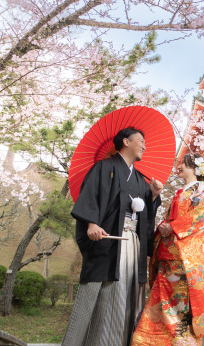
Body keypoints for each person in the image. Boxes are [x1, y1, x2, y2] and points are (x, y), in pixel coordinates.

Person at [63, 127, 164, 346]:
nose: (145, 146)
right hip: (108, 241)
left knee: (130, 298)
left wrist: (153, 196)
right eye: (141, 141)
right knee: (103, 296)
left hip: (132, 244)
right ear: (126, 142)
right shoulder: (104, 167)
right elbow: (90, 195)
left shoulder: (139, 179)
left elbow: (144, 213)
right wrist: (91, 223)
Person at [131, 153, 204, 346]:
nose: (179, 166)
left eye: (184, 164)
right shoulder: (181, 192)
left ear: (195, 169)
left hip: (183, 262)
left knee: (181, 310)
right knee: (159, 305)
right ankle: (147, 340)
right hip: (168, 259)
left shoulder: (202, 189)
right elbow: (171, 219)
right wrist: (165, 226)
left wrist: (173, 227)